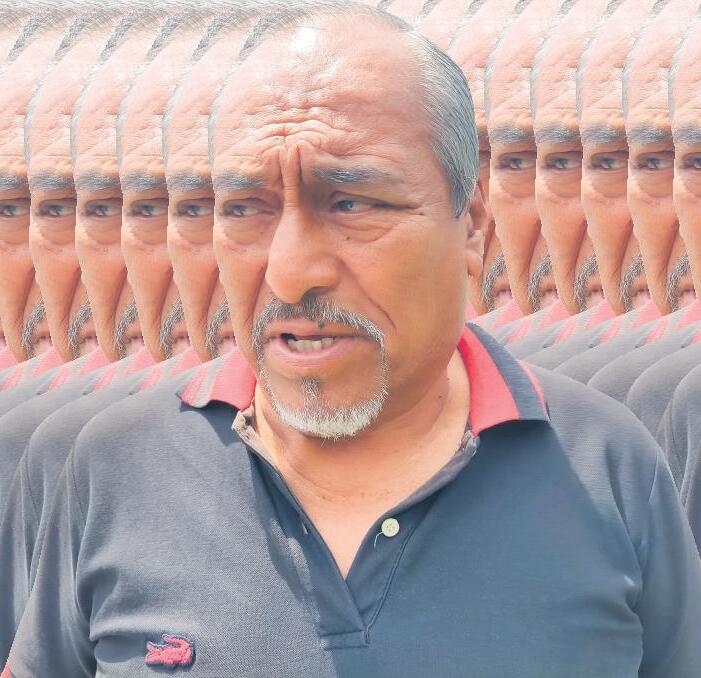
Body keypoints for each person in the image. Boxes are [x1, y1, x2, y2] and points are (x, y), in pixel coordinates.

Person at [8, 4, 701, 676]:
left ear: (471, 228)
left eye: (351, 203)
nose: (290, 272)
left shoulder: (605, 463)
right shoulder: (117, 465)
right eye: (245, 208)